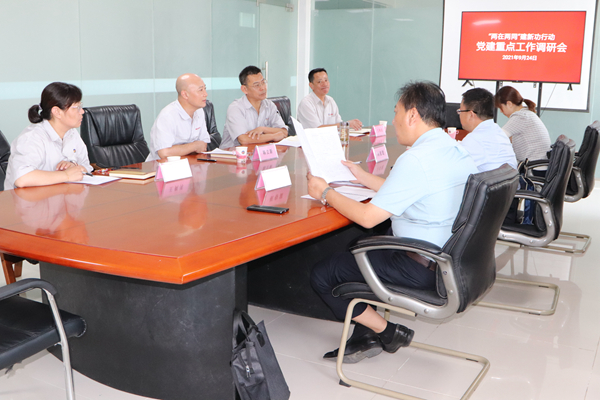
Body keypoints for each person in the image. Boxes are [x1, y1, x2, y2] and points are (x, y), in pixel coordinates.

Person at [307, 81, 478, 363]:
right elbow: (407, 188)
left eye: (396, 111)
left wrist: (325, 193)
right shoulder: (453, 148)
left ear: (412, 115)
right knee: (356, 245)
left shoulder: (416, 159)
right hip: (450, 259)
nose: (394, 119)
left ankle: (387, 332)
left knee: (324, 274)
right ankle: (364, 334)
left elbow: (367, 218)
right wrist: (360, 176)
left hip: (420, 264)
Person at [4, 82, 92, 189]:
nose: (82, 111)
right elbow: (22, 178)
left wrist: (74, 166)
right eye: (76, 107)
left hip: (60, 194)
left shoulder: (72, 133)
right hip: (28, 198)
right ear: (57, 112)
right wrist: (66, 175)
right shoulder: (32, 137)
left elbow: (86, 167)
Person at [147, 73, 213, 161]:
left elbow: (203, 146)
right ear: (185, 94)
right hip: (161, 167)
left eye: (205, 89)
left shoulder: (199, 111)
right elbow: (164, 153)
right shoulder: (168, 116)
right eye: (200, 90)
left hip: (189, 163)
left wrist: (183, 149)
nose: (205, 94)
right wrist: (194, 146)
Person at [220, 66, 288, 149]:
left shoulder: (269, 105)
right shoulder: (235, 108)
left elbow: (284, 132)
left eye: (263, 82)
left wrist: (263, 129)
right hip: (232, 154)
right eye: (256, 85)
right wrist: (273, 136)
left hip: (259, 152)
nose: (262, 88)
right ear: (244, 89)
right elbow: (244, 139)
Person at [458, 88, 517, 172]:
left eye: (460, 111)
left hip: (491, 180)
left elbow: (453, 169)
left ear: (471, 114)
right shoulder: (498, 131)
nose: (459, 115)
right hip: (508, 179)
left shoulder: (475, 139)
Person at [494, 86, 552, 162]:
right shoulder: (526, 114)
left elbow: (496, 138)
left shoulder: (520, 117)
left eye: (501, 108)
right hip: (539, 163)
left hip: (533, 165)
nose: (501, 111)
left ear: (509, 104)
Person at [297, 68, 362, 130]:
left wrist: (351, 125)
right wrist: (345, 124)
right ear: (311, 85)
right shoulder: (306, 103)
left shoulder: (330, 101)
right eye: (319, 81)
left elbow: (338, 124)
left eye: (326, 80)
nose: (325, 84)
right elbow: (317, 129)